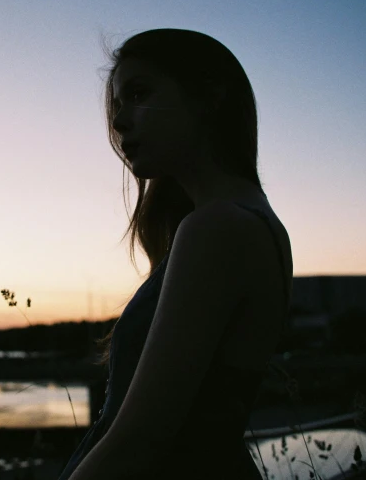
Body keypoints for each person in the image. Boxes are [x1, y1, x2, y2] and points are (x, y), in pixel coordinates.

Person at [58, 28, 293, 479]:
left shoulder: (218, 228)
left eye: (139, 93)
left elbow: (139, 439)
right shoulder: (247, 223)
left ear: (209, 94)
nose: (120, 121)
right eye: (117, 106)